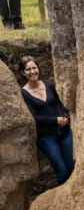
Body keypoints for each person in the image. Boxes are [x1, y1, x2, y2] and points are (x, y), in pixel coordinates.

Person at [18, 56, 75, 184]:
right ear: (23, 73)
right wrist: (56, 120)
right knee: (62, 171)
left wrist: (66, 114)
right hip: (47, 138)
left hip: (65, 132)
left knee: (72, 168)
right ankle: (61, 201)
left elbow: (59, 103)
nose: (33, 72)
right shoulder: (24, 93)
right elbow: (34, 117)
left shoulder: (49, 84)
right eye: (28, 69)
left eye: (34, 68)